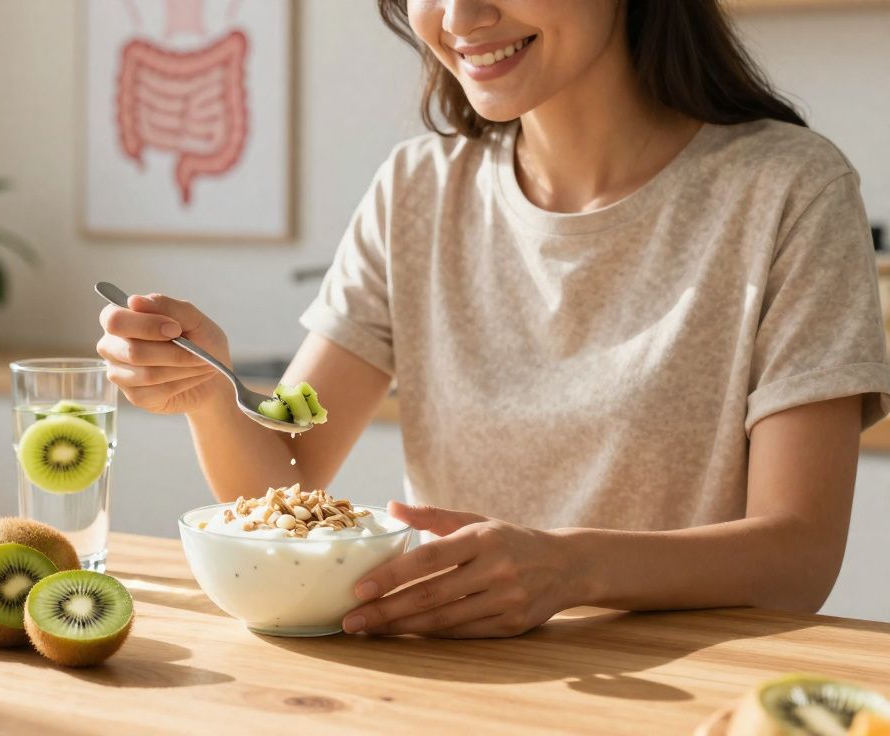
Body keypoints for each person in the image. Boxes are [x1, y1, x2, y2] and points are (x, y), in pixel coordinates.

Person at [96, 0, 890, 638]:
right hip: (453, 685)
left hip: (683, 697)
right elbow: (287, 478)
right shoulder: (417, 190)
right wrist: (210, 396)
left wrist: (569, 569)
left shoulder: (790, 191)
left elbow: (798, 556)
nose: (460, 17)